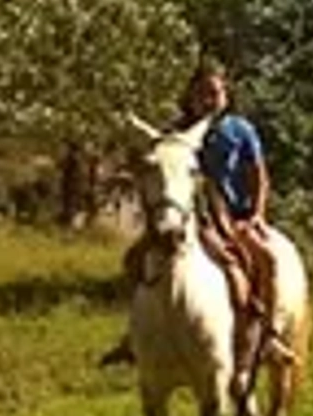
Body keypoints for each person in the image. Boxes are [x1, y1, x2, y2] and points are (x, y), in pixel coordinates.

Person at [103, 61, 289, 374]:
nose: (209, 99)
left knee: (265, 258)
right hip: (188, 215)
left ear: (226, 95)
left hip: (232, 215)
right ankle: (133, 335)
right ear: (190, 97)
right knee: (135, 260)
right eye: (202, 93)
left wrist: (256, 214)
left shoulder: (240, 130)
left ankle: (269, 334)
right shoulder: (175, 133)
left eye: (215, 92)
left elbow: (259, 175)